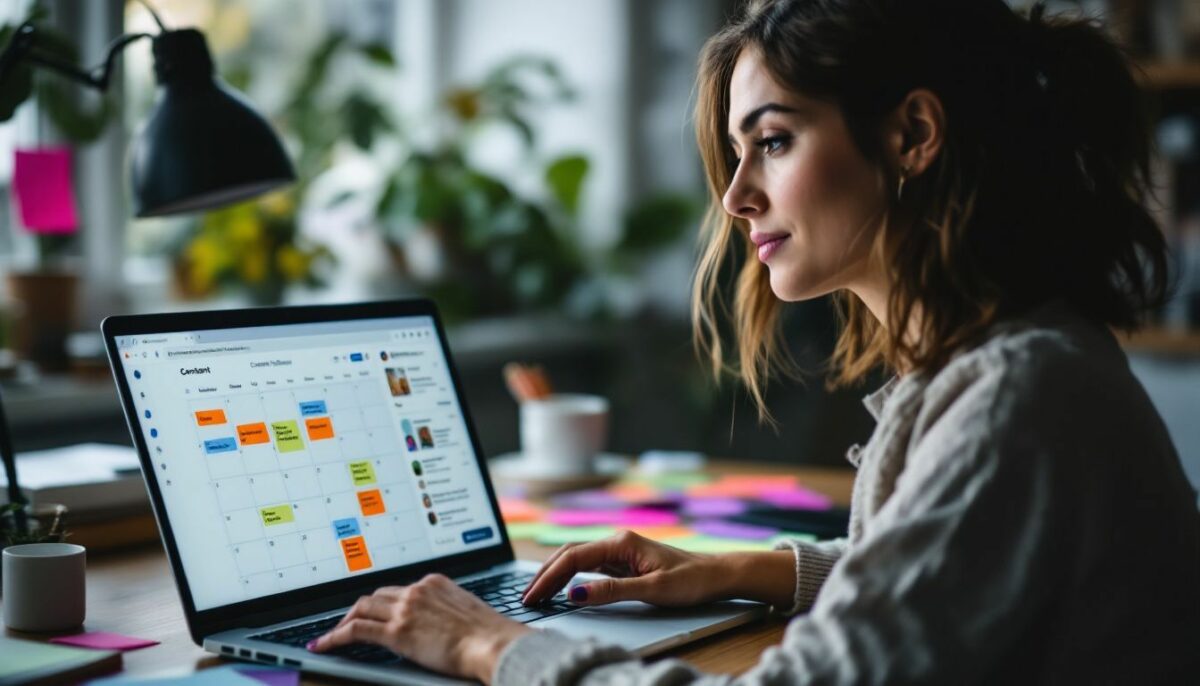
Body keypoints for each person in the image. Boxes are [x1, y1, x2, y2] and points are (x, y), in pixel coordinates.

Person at [308, 0, 1200, 682]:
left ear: (913, 134)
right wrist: (743, 571)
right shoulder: (1022, 361)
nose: (736, 198)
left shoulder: (1016, 398)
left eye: (772, 141)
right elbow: (953, 569)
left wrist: (486, 642)